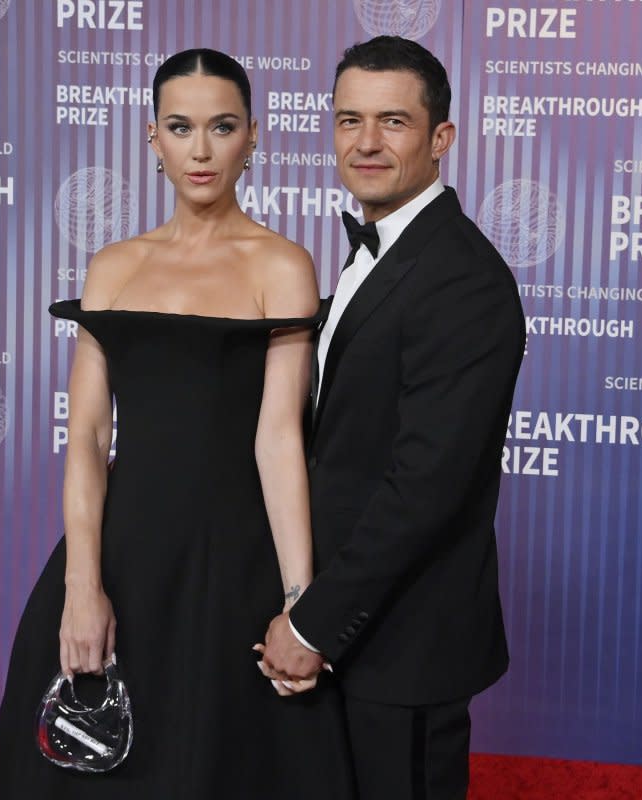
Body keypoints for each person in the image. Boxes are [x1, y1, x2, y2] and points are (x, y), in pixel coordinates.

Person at [0, 48, 354, 799]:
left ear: (253, 135)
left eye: (221, 127)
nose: (200, 149)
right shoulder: (113, 267)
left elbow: (279, 437)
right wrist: (81, 585)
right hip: (125, 554)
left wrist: (298, 600)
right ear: (151, 137)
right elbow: (89, 438)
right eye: (179, 127)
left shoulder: (281, 266)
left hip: (233, 563)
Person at [260, 36, 526, 800]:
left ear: (441, 138)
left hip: (404, 643)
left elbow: (426, 488)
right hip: (349, 624)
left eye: (392, 122)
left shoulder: (461, 278)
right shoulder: (376, 256)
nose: (365, 142)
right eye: (348, 120)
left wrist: (311, 626)